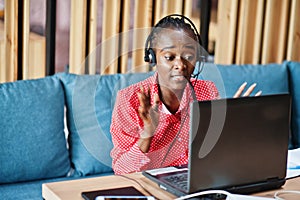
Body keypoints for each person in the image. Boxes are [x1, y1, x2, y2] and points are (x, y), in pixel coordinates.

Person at [110, 15, 259, 175]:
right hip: (151, 187)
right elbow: (121, 170)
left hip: (196, 182)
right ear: (153, 57)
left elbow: (215, 156)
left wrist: (229, 128)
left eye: (188, 56)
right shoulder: (129, 100)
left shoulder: (207, 92)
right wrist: (147, 133)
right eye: (169, 57)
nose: (180, 65)